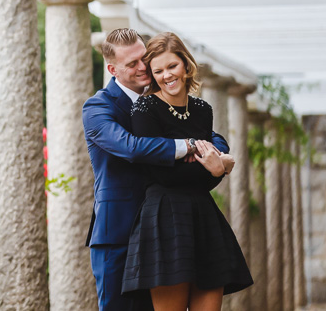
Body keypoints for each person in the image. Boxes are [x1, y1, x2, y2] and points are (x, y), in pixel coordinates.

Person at [83, 28, 229, 311]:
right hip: (119, 234)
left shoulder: (167, 101)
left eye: (144, 59)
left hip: (165, 226)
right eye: (132, 64)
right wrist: (189, 145)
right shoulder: (98, 107)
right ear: (112, 69)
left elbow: (211, 135)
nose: (143, 68)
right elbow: (131, 147)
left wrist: (220, 154)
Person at [122, 32, 252, 310]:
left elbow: (205, 181)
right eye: (158, 70)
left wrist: (214, 169)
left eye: (172, 66)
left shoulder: (203, 109)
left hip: (203, 216)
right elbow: (161, 175)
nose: (167, 75)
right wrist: (213, 166)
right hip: (164, 217)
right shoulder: (145, 109)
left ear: (186, 65)